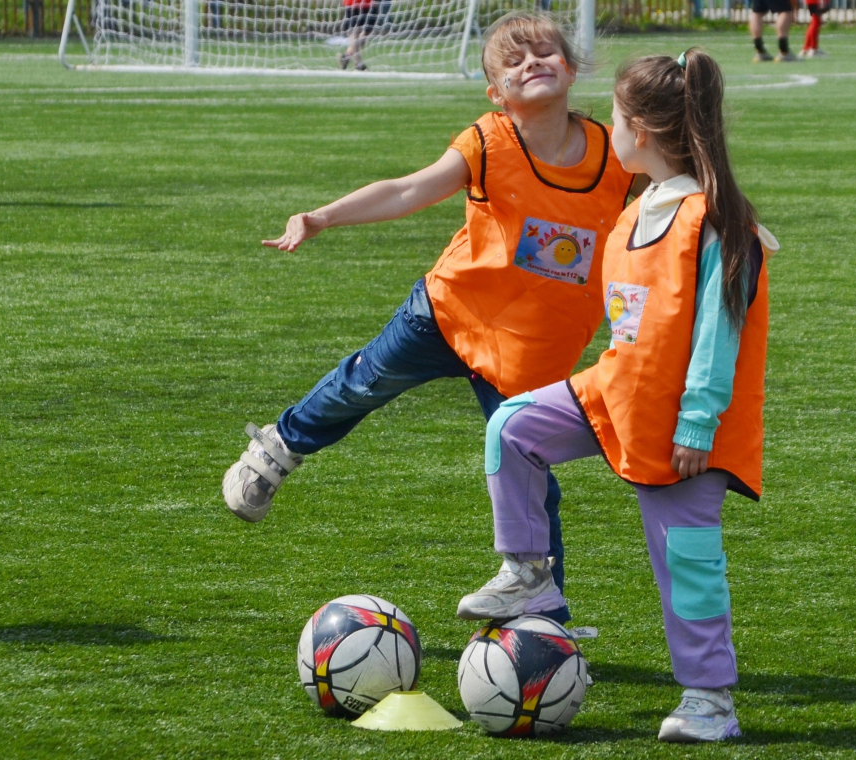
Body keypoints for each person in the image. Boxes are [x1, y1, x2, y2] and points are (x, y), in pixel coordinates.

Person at [222, 13, 636, 626]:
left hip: (529, 350)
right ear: (496, 93)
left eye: (546, 53)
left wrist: (728, 221)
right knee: (362, 382)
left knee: (528, 471)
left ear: (572, 68)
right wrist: (320, 217)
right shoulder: (488, 141)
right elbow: (406, 190)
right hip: (448, 313)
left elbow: (680, 191)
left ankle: (542, 612)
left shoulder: (616, 153)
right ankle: (279, 448)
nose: (534, 64)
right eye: (515, 63)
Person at [458, 49, 777, 742]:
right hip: (615, 393)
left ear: (643, 130)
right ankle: (529, 573)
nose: (608, 128)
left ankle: (709, 702)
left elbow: (720, 334)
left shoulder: (715, 219)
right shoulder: (637, 212)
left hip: (683, 427)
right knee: (513, 427)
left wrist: (697, 421)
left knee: (687, 566)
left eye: (615, 117)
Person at [340, 0, 377, 71]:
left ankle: (348, 55)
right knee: (355, 31)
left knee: (367, 32)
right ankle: (358, 63)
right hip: (353, 4)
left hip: (369, 4)